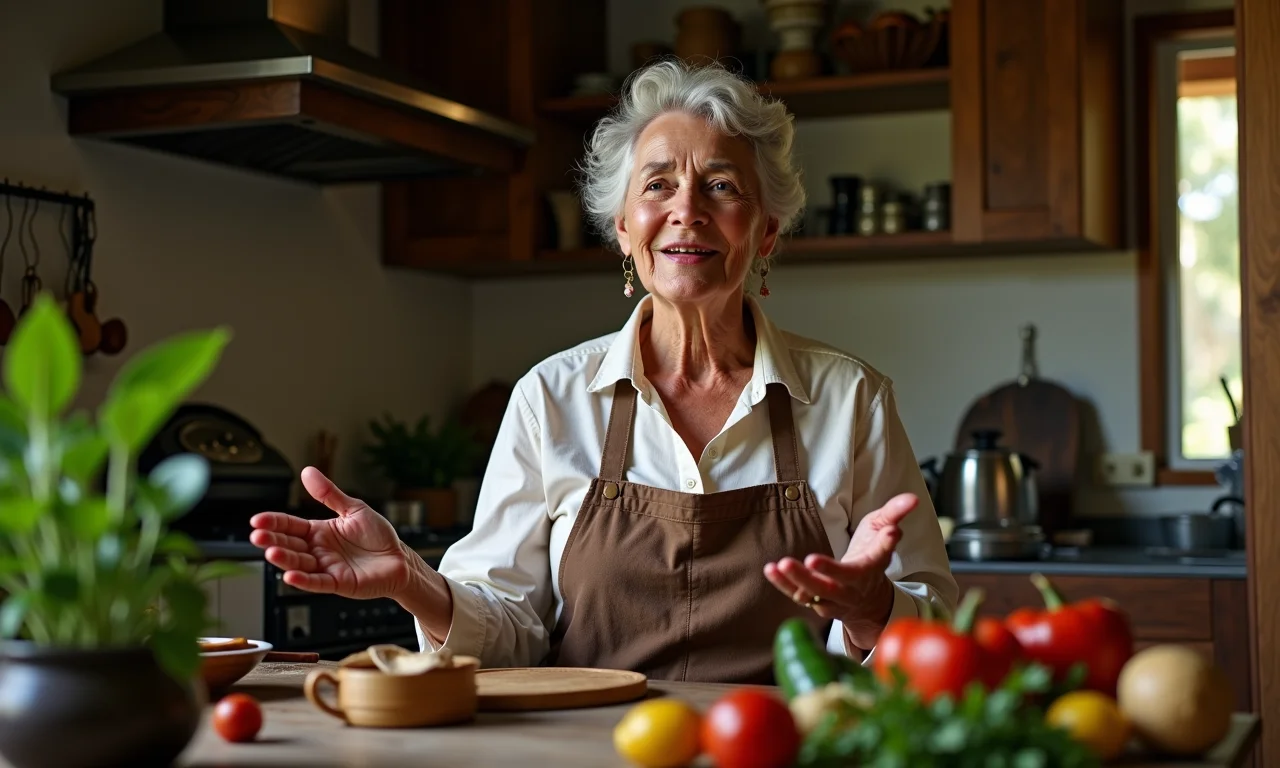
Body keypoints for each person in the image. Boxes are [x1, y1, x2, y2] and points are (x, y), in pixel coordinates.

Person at [249, 59, 957, 684]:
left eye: (720, 186)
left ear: (766, 230)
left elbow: (938, 627)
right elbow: (510, 631)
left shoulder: (851, 400)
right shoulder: (550, 399)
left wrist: (874, 607)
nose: (686, 210)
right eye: (658, 186)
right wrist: (412, 580)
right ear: (623, 228)